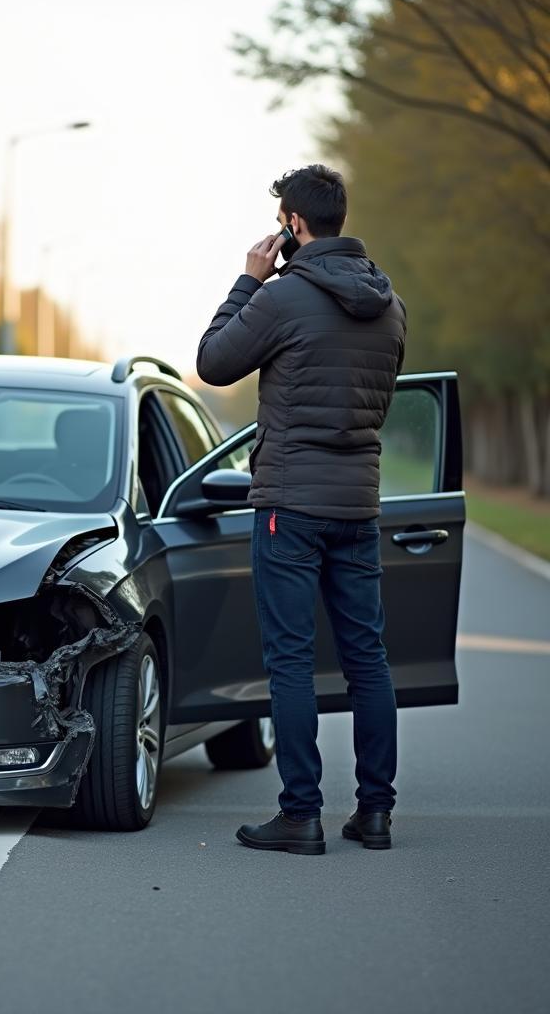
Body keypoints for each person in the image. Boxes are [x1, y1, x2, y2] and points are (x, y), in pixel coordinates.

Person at [196, 165, 406, 855]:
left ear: (292, 225)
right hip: (357, 504)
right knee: (367, 659)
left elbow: (214, 362)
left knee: (290, 661)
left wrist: (248, 280)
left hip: (289, 503)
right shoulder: (390, 304)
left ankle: (301, 815)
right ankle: (375, 814)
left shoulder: (283, 298)